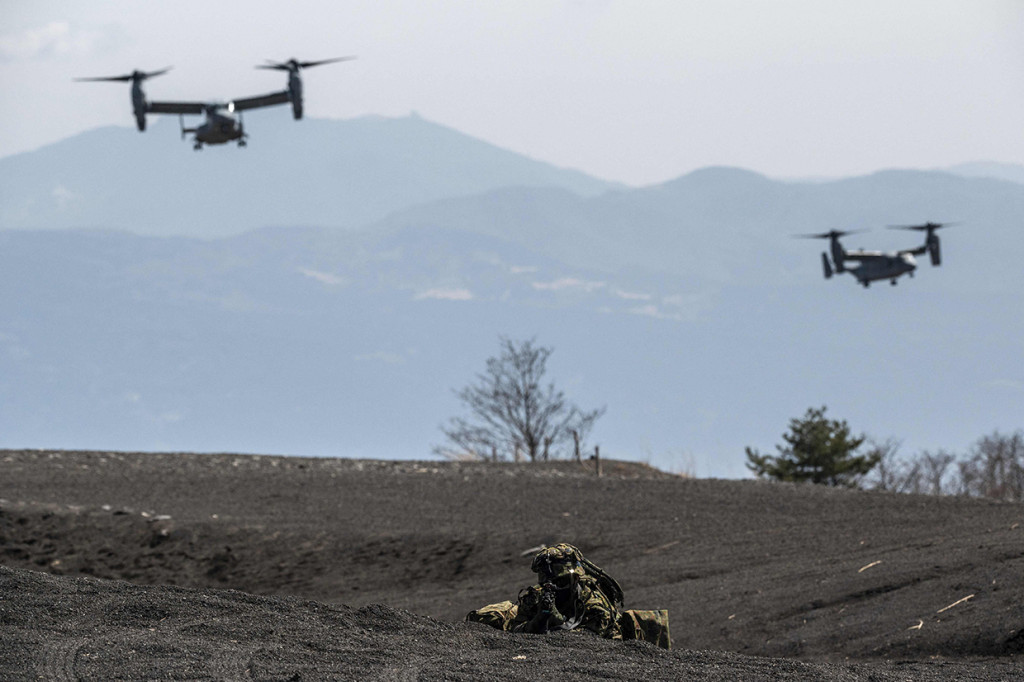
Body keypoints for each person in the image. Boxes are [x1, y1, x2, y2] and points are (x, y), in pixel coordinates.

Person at [466, 543, 670, 648]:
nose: (554, 587)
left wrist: (554, 619)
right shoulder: (539, 596)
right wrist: (538, 620)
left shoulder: (594, 602)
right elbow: (516, 629)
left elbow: (586, 641)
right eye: (548, 583)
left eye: (560, 582)